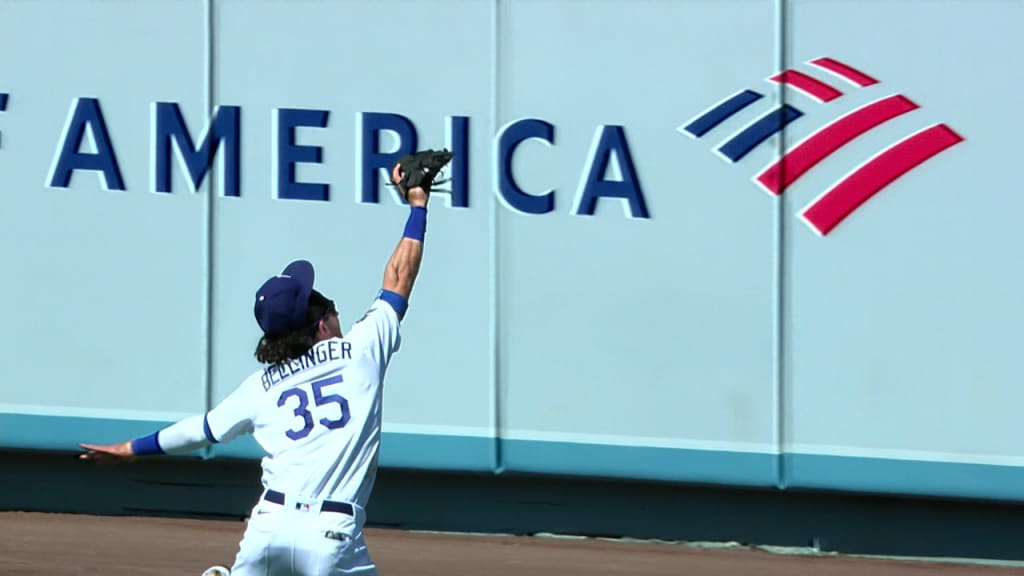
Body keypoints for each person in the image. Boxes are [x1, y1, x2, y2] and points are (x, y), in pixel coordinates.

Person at [79, 156, 443, 575]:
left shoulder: (261, 387)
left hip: (266, 529)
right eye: (330, 308)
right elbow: (399, 276)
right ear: (322, 325)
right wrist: (418, 204)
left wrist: (129, 448)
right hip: (331, 533)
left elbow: (202, 430)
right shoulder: (361, 351)